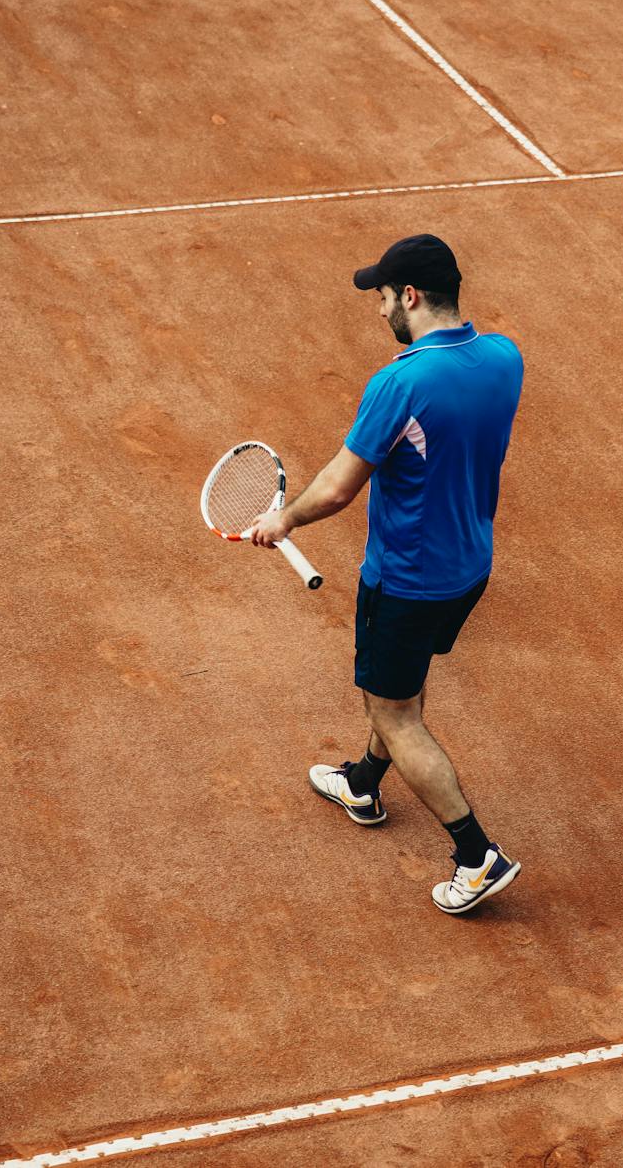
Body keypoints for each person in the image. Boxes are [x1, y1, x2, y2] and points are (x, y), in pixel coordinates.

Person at [248, 233, 524, 915]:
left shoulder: (400, 382)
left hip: (406, 577)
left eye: (380, 297)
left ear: (410, 296)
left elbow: (341, 488)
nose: (377, 312)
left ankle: (475, 855)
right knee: (398, 687)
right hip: (469, 566)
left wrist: (284, 520)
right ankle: (364, 783)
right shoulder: (503, 357)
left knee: (395, 711)